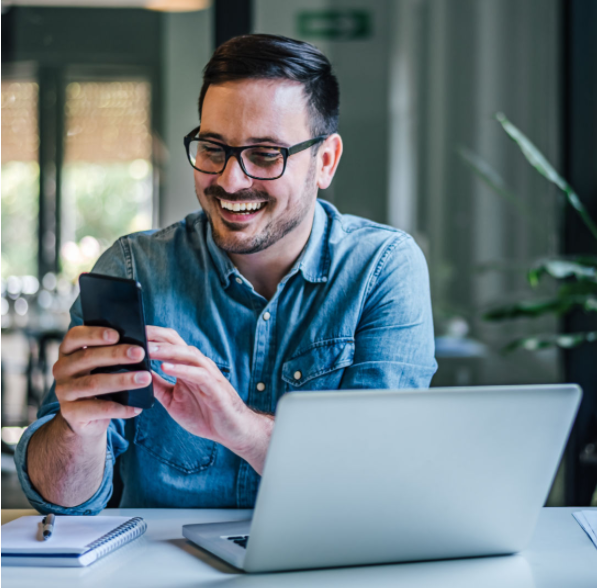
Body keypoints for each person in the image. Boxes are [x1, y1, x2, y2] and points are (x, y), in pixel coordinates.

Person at [15, 34, 437, 513]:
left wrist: (238, 424)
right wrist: (79, 429)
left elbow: (377, 482)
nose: (231, 181)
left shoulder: (381, 269)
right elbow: (61, 504)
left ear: (325, 162)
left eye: (265, 155)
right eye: (213, 148)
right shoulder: (135, 270)